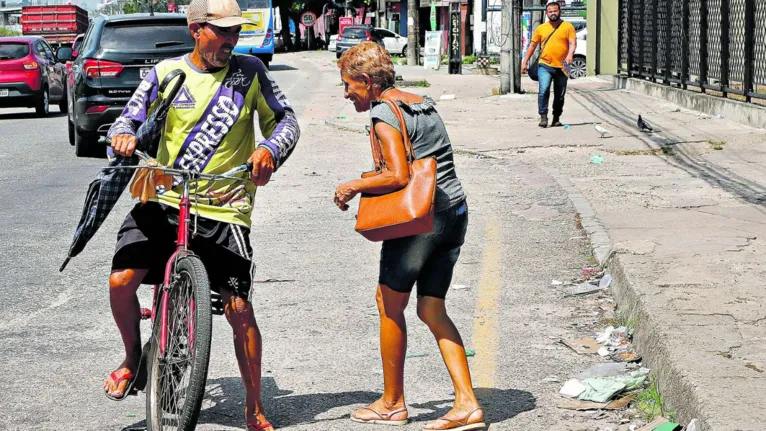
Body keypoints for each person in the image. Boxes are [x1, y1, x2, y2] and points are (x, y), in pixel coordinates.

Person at [103, 0, 300, 428]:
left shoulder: (250, 72)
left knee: (239, 310)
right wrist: (121, 136)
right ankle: (133, 357)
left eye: (235, 33)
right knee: (121, 281)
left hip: (225, 205)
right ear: (196, 29)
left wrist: (269, 149)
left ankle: (254, 405)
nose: (232, 41)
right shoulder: (166, 73)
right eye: (222, 32)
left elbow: (286, 121)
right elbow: (128, 120)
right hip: (165, 198)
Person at [334, 42, 485, 431]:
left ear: (367, 81)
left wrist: (351, 186)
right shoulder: (423, 102)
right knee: (431, 309)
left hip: (421, 220)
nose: (346, 93)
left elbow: (399, 175)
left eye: (348, 84)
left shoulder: (384, 113)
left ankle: (392, 403)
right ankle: (467, 404)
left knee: (389, 304)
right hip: (455, 213)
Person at [521, 1, 577, 128]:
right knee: (543, 90)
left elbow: (573, 43)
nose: (553, 13)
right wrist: (525, 62)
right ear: (546, 13)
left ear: (560, 11)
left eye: (555, 11)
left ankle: (556, 118)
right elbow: (533, 45)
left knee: (560, 94)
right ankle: (543, 117)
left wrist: (570, 55)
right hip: (545, 64)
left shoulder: (568, 26)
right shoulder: (541, 28)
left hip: (564, 65)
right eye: (550, 11)